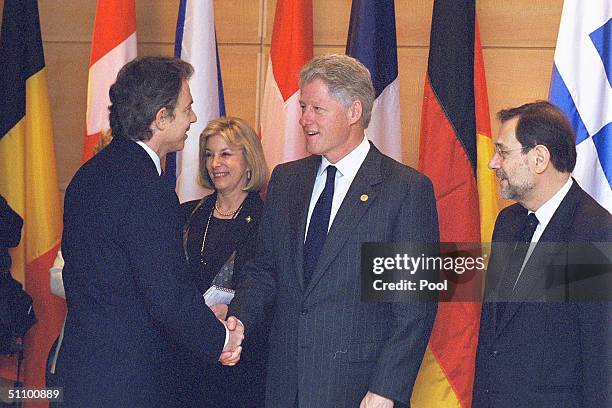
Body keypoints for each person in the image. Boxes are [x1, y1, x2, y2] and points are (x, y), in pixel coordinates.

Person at [228, 54, 439, 408]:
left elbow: (414, 307)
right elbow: (264, 270)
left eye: (316, 109)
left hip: (358, 390)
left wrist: (387, 388)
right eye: (303, 107)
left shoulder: (406, 190)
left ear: (354, 112)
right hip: (285, 384)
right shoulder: (286, 181)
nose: (304, 119)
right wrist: (241, 320)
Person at [53, 56, 243, 407]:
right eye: (187, 109)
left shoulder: (87, 175)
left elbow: (117, 280)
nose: (193, 118)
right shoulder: (147, 189)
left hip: (81, 373)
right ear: (161, 118)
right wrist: (219, 340)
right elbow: (166, 292)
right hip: (128, 384)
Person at [473, 101, 612, 407]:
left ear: (539, 158)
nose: (493, 163)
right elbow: (494, 336)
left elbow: (601, 359)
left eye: (503, 152)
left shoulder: (595, 233)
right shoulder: (507, 224)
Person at [180, 117, 269, 407]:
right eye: (209, 154)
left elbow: (272, 290)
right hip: (189, 357)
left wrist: (233, 313)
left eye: (226, 153)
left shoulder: (268, 219)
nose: (215, 163)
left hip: (242, 362)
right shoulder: (188, 215)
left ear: (249, 160)